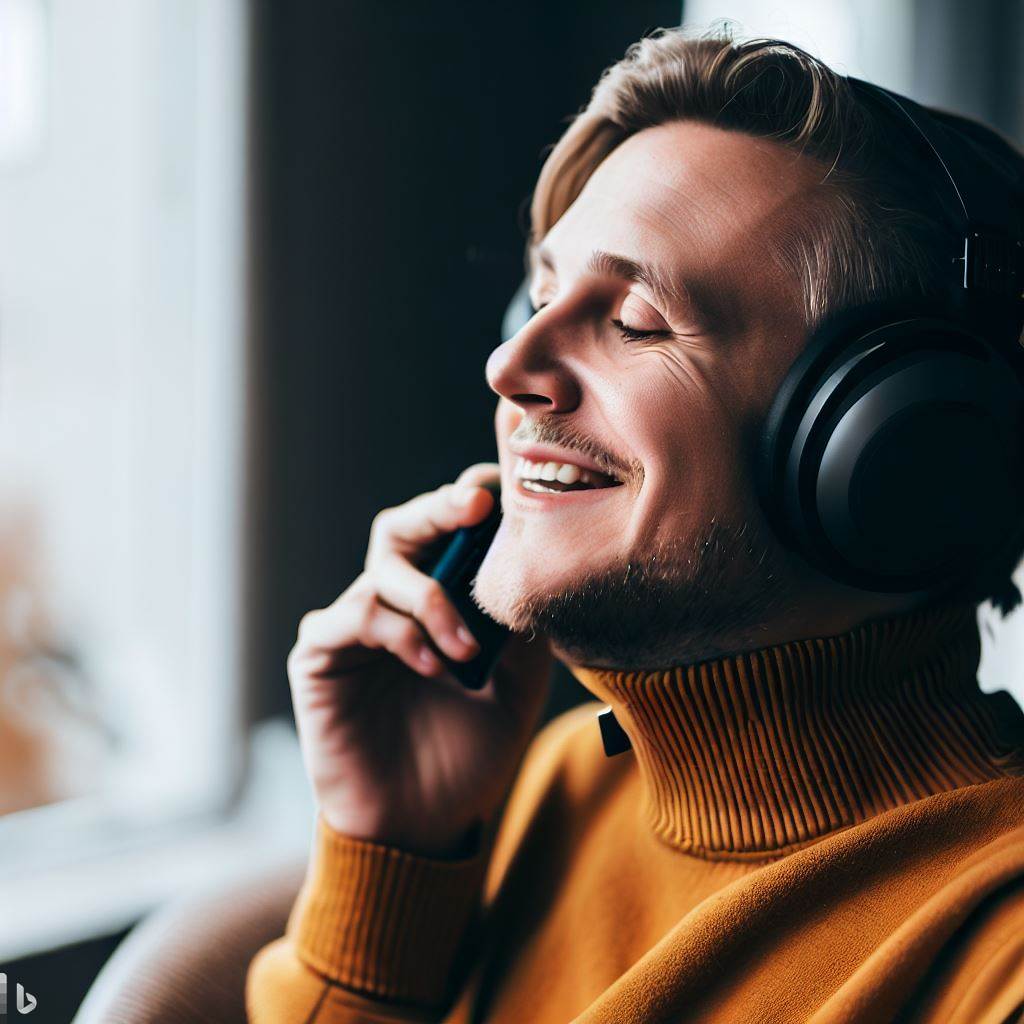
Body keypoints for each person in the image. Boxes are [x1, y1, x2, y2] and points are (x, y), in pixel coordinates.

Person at [246, 27, 1024, 1023]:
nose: (510, 363)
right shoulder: (559, 790)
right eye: (539, 291)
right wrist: (386, 856)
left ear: (887, 447)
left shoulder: (993, 954)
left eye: (638, 320)